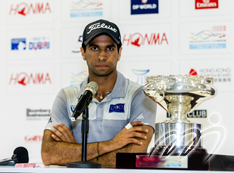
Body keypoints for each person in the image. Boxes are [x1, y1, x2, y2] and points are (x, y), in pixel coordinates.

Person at [41, 19, 157, 168]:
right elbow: (49, 154)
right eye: (94, 48)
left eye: (109, 48)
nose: (102, 56)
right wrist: (111, 144)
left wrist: (77, 154)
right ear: (83, 52)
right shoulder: (66, 96)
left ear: (119, 52)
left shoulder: (140, 96)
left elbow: (131, 157)